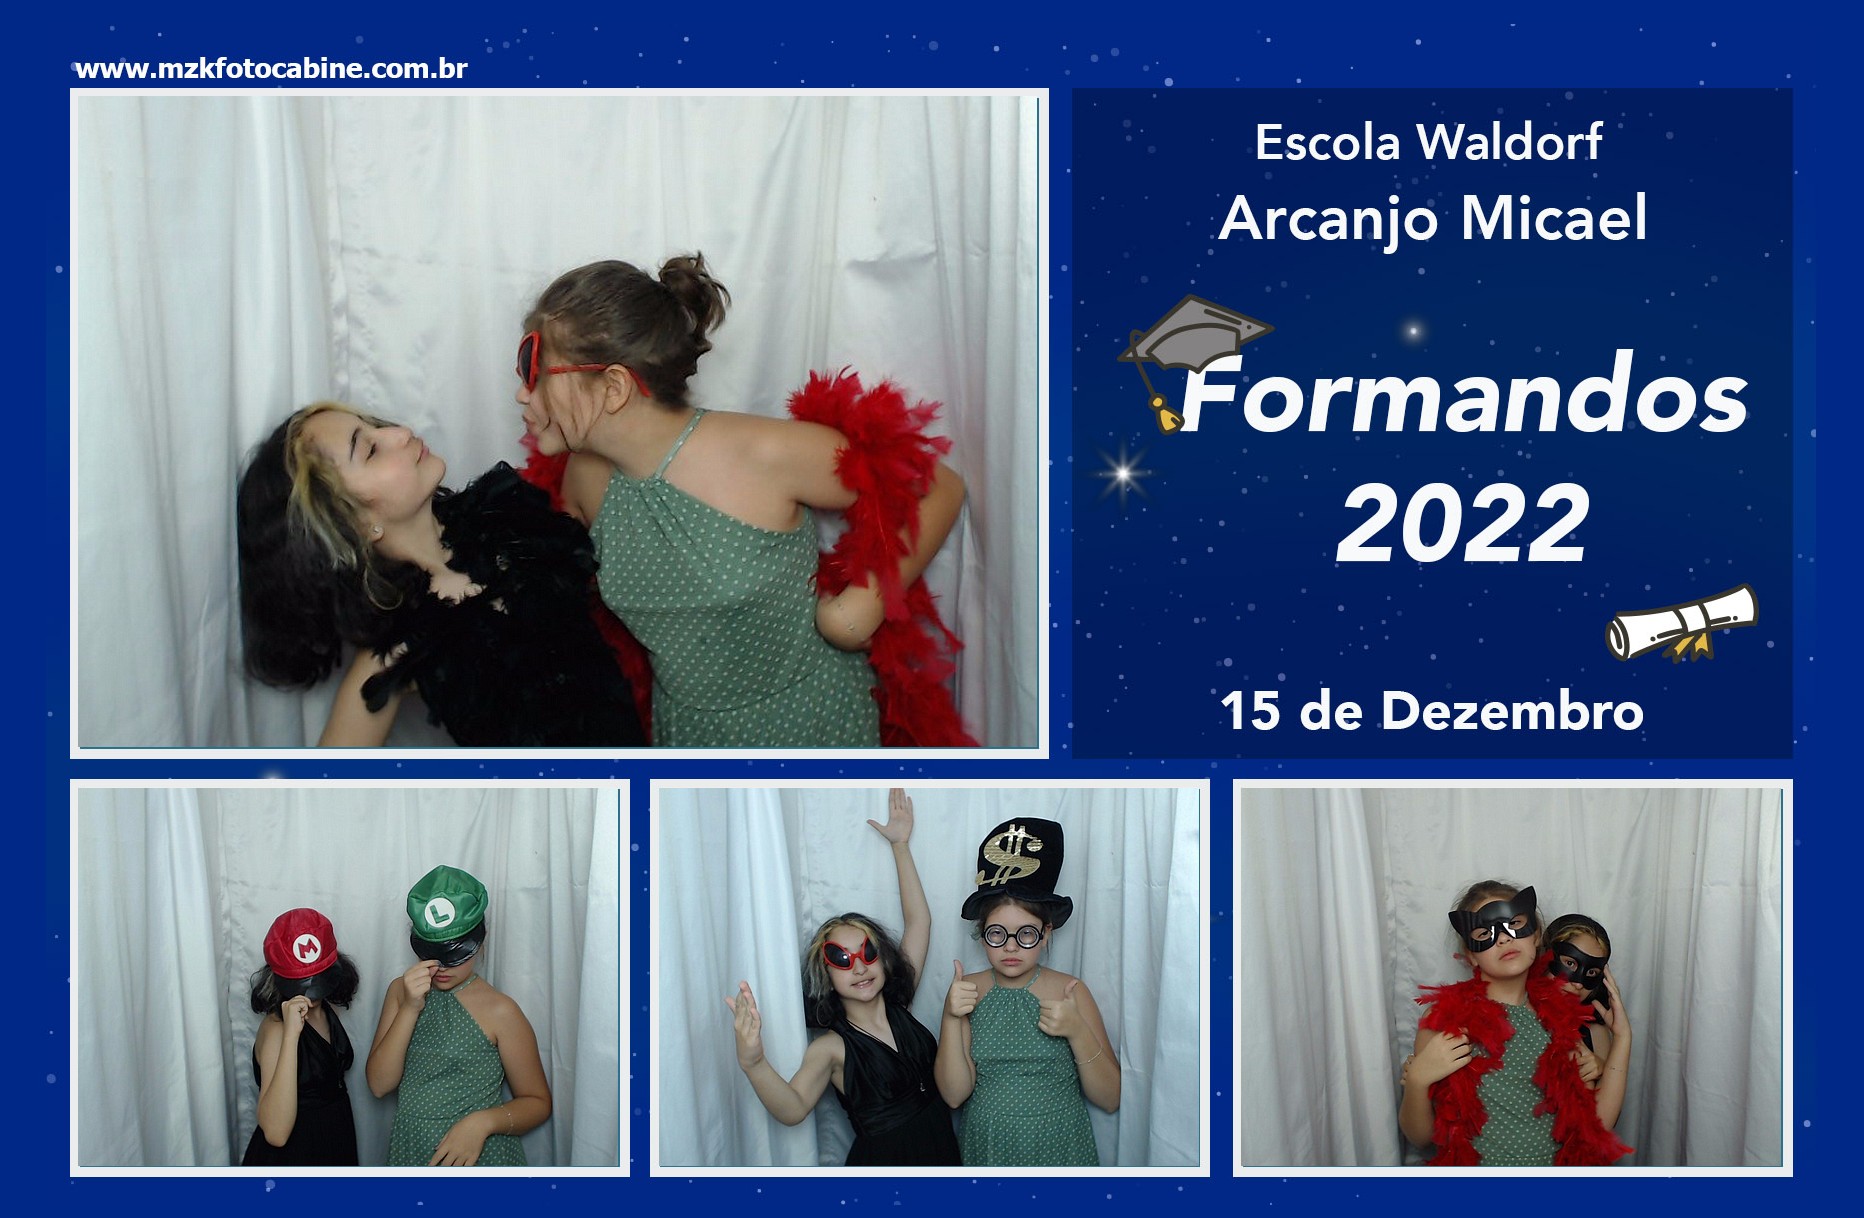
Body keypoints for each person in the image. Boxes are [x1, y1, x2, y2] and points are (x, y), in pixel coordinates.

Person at [514, 254, 969, 747]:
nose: (522, 394)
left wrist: (858, 610)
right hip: (687, 739)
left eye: (535, 370)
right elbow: (552, 599)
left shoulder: (763, 455)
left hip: (812, 727)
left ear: (614, 386)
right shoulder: (585, 480)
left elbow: (938, 487)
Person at [236, 401, 644, 747]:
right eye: (370, 450)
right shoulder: (399, 650)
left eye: (376, 426)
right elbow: (324, 787)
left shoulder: (512, 515)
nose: (399, 433)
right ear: (353, 524)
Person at [725, 789, 959, 1165]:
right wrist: (753, 1062)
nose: (859, 966)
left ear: (884, 960)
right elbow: (793, 1108)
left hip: (942, 1154)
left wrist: (900, 845)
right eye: (842, 959)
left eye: (868, 953)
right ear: (826, 973)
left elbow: (920, 921)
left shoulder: (900, 1003)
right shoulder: (831, 1049)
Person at [1399, 881, 1631, 1165]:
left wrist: (1623, 1037)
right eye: (1485, 933)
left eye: (1515, 925)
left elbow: (1598, 1125)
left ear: (1536, 935)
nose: (1504, 939)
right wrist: (1418, 1080)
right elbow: (1420, 1137)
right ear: (1471, 954)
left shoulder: (1560, 1023)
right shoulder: (1445, 1021)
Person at [934, 818, 1119, 1166]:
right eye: (997, 934)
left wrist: (1078, 1031)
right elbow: (954, 1096)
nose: (1011, 947)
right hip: (988, 1143)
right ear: (982, 935)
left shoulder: (1071, 991)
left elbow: (1110, 1098)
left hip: (1060, 1142)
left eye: (1027, 934)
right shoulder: (967, 990)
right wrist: (950, 1016)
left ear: (1046, 934)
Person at [366, 865, 552, 1166]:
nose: (441, 967)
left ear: (479, 943)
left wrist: (482, 1123)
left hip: (478, 1158)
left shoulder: (500, 1010)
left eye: (454, 955)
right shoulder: (400, 991)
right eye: (431, 953)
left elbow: (538, 1102)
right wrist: (410, 1008)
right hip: (411, 1148)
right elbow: (379, 1085)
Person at [241, 907, 362, 1166]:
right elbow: (276, 1134)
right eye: (301, 981)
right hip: (295, 1155)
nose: (311, 994)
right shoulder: (276, 1030)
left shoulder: (324, 1008)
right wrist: (291, 1036)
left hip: (334, 1139)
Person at [1546, 911, 1632, 1126]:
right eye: (1570, 963)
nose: (1578, 983)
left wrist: (1603, 1068)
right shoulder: (1513, 1015)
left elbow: (1602, 1125)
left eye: (1591, 973)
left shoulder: (1594, 1031)